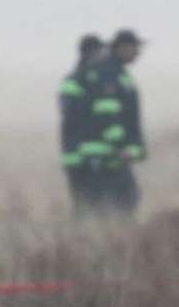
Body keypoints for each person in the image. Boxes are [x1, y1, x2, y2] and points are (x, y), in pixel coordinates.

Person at [62, 28, 148, 215]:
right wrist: (122, 146)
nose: (138, 53)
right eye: (135, 47)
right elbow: (108, 114)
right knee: (116, 204)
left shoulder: (79, 77)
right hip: (103, 156)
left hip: (84, 155)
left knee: (90, 206)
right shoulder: (107, 75)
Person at [59, 34, 108, 210]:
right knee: (86, 204)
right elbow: (74, 118)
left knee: (92, 203)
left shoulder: (86, 80)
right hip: (81, 154)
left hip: (87, 153)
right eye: (101, 52)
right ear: (90, 53)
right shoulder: (77, 81)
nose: (104, 57)